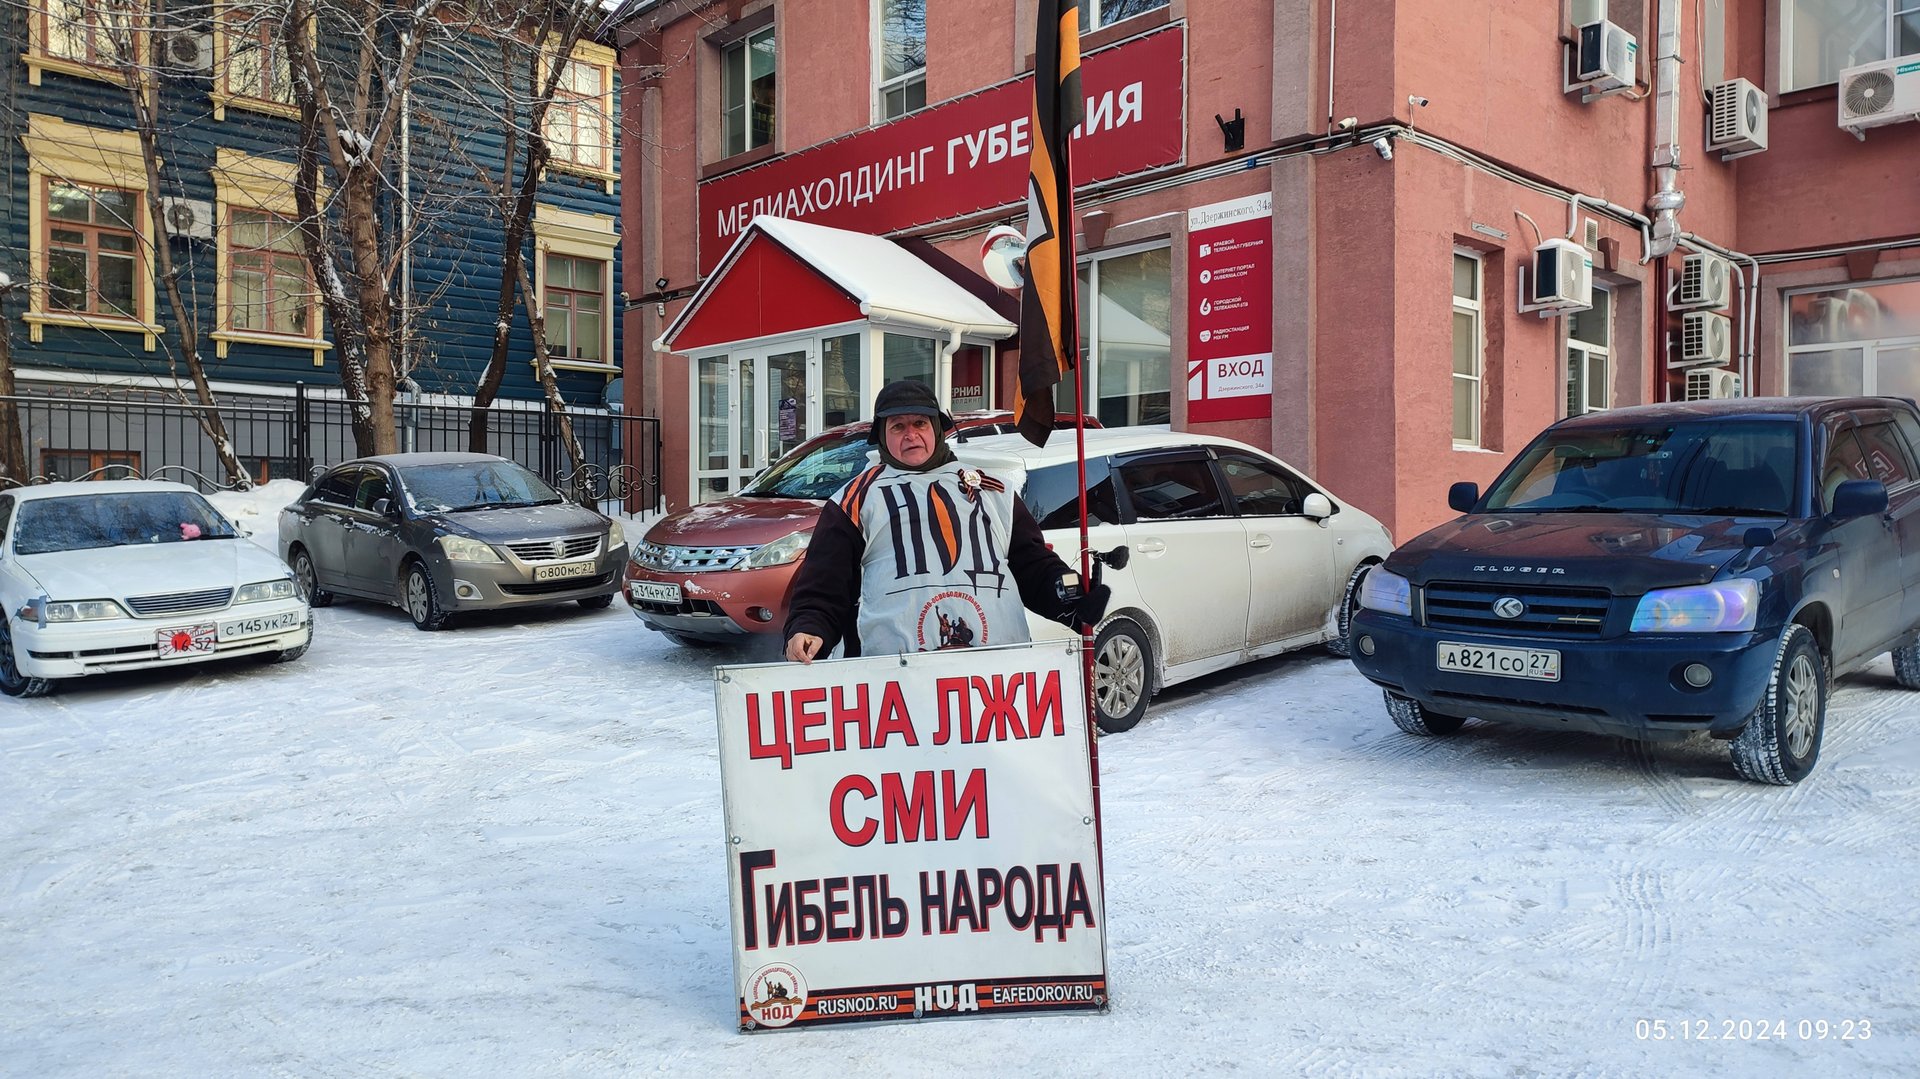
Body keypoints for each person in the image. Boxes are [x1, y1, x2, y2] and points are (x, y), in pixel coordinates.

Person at [784, 380, 1108, 663]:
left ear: (937, 429)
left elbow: (1032, 566)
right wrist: (808, 627)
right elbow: (824, 585)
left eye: (920, 424)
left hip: (996, 672)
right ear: (882, 435)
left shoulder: (992, 490)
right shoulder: (855, 500)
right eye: (898, 426)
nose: (911, 435)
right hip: (892, 676)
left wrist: (1071, 597)